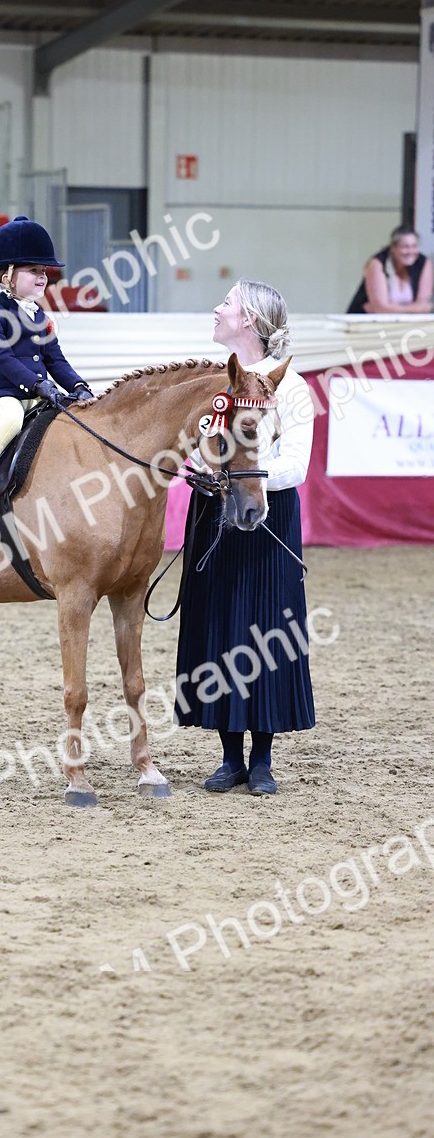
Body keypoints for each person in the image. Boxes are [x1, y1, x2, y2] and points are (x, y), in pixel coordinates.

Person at [175, 279, 315, 796]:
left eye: (227, 303)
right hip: (213, 513)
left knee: (264, 630)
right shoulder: (210, 384)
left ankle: (262, 758)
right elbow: (193, 446)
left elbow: (294, 464)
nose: (217, 309)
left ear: (250, 320)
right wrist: (202, 470)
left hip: (267, 516)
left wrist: (239, 481)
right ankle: (230, 756)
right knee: (218, 626)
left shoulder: (291, 386)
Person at [0, 215, 93, 515]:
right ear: (7, 276)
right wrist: (37, 384)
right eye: (33, 270)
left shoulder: (41, 318)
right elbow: (2, 359)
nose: (42, 277)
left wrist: (79, 387)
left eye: (44, 271)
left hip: (38, 395)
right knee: (11, 420)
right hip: (1, 395)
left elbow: (56, 360)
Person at [347, 226, 433, 314]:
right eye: (405, 247)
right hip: (365, 322)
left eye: (414, 246)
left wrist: (390, 307)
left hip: (406, 324)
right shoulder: (377, 264)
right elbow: (380, 309)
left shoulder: (423, 263)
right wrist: (414, 308)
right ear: (393, 248)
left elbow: (424, 306)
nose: (410, 252)